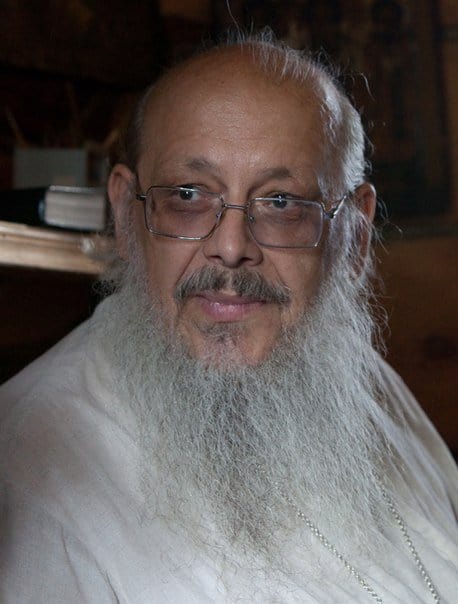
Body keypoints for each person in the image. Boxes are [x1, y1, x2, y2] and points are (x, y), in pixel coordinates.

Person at [0, 32, 457, 603]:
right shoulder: (28, 468)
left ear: (356, 236)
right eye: (188, 195)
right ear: (126, 216)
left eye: (282, 203)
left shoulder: (361, 383)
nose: (232, 246)